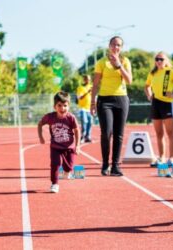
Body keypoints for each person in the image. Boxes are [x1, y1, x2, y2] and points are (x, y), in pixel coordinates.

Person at [90, 36, 132, 176]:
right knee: (106, 133)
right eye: (114, 44)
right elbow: (95, 84)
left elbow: (129, 80)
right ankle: (105, 164)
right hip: (105, 100)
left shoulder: (125, 61)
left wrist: (119, 64)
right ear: (109, 45)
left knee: (119, 135)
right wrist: (92, 102)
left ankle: (115, 166)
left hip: (121, 99)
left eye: (119, 45)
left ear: (121, 47)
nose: (116, 47)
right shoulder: (101, 62)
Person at [144, 52, 173, 165]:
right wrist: (149, 96)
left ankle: (172, 158)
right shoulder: (152, 73)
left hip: (167, 104)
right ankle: (161, 157)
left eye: (161, 59)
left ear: (166, 61)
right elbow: (146, 86)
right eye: (157, 59)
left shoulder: (171, 72)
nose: (159, 61)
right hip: (156, 104)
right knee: (159, 133)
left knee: (170, 133)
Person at [38, 91, 80, 193]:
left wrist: (78, 146)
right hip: (55, 146)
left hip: (69, 147)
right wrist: (41, 137)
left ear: (69, 106)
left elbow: (77, 130)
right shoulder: (50, 117)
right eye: (59, 105)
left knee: (69, 167)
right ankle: (54, 184)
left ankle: (67, 171)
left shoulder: (71, 118)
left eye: (65, 106)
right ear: (54, 107)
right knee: (55, 164)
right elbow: (39, 124)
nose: (62, 108)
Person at [76, 74, 93, 143]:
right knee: (84, 122)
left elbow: (93, 97)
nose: (88, 81)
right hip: (82, 108)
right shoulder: (80, 87)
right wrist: (87, 92)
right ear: (84, 80)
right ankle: (82, 136)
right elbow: (80, 97)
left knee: (90, 123)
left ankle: (88, 137)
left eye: (89, 79)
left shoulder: (91, 87)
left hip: (89, 108)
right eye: (87, 79)